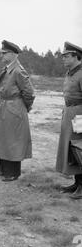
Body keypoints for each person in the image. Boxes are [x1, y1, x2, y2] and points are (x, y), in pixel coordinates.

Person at [0, 40, 35, 181]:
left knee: (14, 140)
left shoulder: (18, 71)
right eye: (1, 53)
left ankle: (14, 172)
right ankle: (4, 170)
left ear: (13, 54)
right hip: (4, 106)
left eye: (4, 53)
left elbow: (29, 93)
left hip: (14, 107)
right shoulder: (8, 68)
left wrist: (23, 107)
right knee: (3, 138)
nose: (1, 56)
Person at [57, 42, 82, 199]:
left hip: (80, 115)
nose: (63, 59)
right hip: (69, 113)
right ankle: (77, 182)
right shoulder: (70, 73)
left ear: (76, 56)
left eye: (66, 56)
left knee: (79, 148)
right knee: (71, 149)